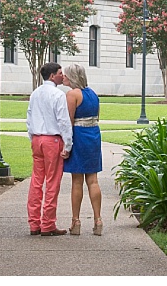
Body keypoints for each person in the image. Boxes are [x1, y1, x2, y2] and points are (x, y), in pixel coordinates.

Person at [26, 62, 73, 236]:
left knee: (36, 182)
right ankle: (48, 224)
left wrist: (33, 137)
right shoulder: (58, 95)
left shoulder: (35, 93)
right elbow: (63, 121)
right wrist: (67, 144)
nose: (63, 75)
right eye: (60, 73)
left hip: (37, 139)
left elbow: (29, 118)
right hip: (52, 141)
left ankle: (34, 223)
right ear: (52, 76)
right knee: (52, 182)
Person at [62, 63, 103, 236]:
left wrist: (67, 145)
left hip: (79, 136)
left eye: (65, 75)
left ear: (71, 77)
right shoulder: (92, 94)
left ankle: (76, 221)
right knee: (93, 180)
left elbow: (68, 121)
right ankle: (98, 220)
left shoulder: (72, 94)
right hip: (93, 135)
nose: (62, 77)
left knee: (77, 181)